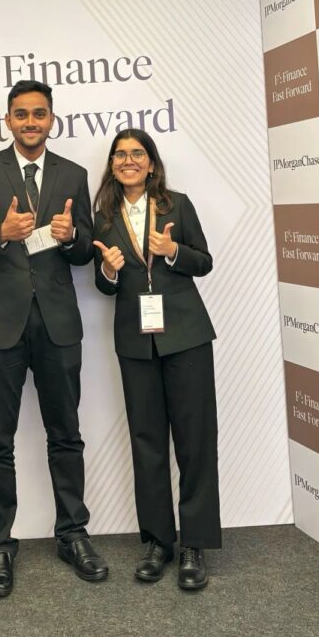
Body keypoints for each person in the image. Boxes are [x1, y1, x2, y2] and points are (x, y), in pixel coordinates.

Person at [0, 79, 108, 597]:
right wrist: (1, 234)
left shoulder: (72, 174)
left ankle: (73, 534)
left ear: (51, 119)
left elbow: (84, 250)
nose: (31, 122)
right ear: (8, 120)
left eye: (39, 114)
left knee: (66, 434)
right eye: (22, 114)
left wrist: (72, 237)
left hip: (57, 324)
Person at [92, 129, 221, 589]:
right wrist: (108, 271)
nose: (128, 161)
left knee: (195, 441)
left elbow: (203, 261)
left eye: (137, 154)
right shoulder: (103, 217)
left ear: (151, 163)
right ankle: (158, 541)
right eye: (120, 155)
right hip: (135, 341)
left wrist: (173, 252)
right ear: (112, 166)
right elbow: (103, 285)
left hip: (185, 336)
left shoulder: (177, 206)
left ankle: (194, 545)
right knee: (146, 442)